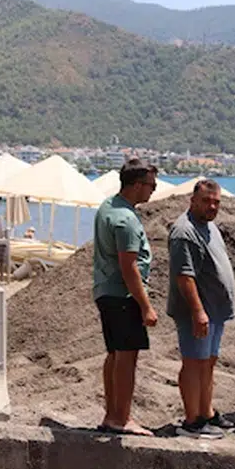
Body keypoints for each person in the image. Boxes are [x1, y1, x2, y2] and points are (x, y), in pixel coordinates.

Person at [92, 158, 158, 436]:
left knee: (114, 354)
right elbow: (129, 267)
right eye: (151, 185)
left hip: (106, 290)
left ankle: (112, 414)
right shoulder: (126, 219)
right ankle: (122, 417)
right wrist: (146, 306)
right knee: (127, 357)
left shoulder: (109, 206)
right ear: (136, 185)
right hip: (122, 294)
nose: (153, 190)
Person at [168, 179, 235, 439]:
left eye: (216, 202)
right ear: (192, 200)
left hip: (215, 310)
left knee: (208, 362)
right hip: (197, 311)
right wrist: (198, 311)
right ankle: (191, 421)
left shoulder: (210, 226)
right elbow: (184, 276)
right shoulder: (184, 231)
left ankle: (206, 412)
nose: (212, 206)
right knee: (194, 363)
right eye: (206, 201)